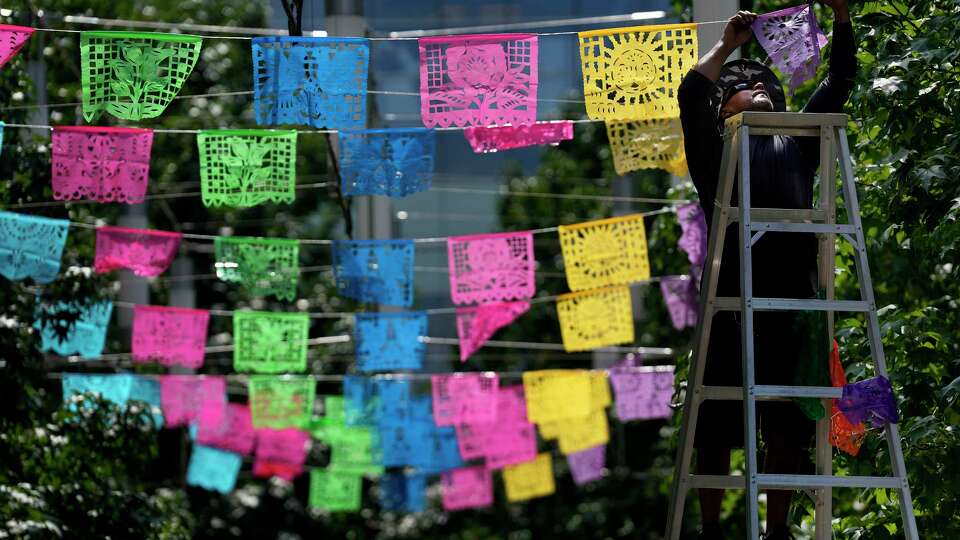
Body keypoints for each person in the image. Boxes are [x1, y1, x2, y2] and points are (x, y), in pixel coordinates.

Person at [676, 1, 855, 539]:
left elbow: (841, 78)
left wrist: (842, 17)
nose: (756, 86)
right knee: (715, 423)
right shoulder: (715, 149)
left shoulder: (799, 142)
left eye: (764, 83)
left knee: (789, 423)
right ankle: (712, 528)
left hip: (793, 298)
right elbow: (690, 92)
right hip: (731, 300)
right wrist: (728, 46)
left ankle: (777, 530)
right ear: (724, 109)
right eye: (740, 84)